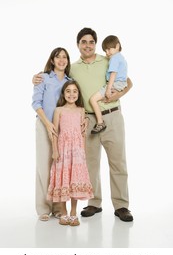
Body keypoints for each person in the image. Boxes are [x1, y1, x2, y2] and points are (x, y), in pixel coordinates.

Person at [32, 27, 134, 222]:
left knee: (118, 162)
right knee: (90, 164)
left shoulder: (108, 60)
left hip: (111, 115)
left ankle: (121, 206)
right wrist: (35, 78)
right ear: (78, 45)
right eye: (83, 42)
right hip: (86, 119)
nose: (87, 45)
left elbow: (128, 81)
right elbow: (56, 76)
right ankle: (94, 203)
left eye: (91, 42)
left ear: (96, 44)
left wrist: (118, 94)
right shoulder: (74, 68)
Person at [32, 47, 72, 221]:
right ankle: (43, 208)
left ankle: (57, 207)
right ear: (52, 60)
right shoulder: (43, 78)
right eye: (58, 57)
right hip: (44, 125)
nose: (61, 60)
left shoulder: (70, 81)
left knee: (59, 167)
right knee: (44, 166)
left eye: (65, 57)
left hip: (63, 129)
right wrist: (48, 124)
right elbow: (36, 103)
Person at [47, 80, 94, 226]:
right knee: (63, 179)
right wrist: (55, 150)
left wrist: (83, 151)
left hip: (77, 150)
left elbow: (83, 133)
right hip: (63, 149)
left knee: (74, 179)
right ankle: (63, 212)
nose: (71, 94)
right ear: (63, 93)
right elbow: (55, 132)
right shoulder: (59, 110)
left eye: (75, 91)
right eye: (68, 91)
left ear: (78, 94)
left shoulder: (81, 110)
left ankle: (73, 212)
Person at [90, 35, 128, 134]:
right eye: (105, 51)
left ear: (117, 46)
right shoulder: (120, 57)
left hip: (115, 83)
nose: (107, 53)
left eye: (109, 49)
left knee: (93, 99)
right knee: (101, 99)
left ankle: (100, 122)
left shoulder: (114, 58)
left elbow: (113, 73)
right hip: (121, 84)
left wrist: (108, 88)